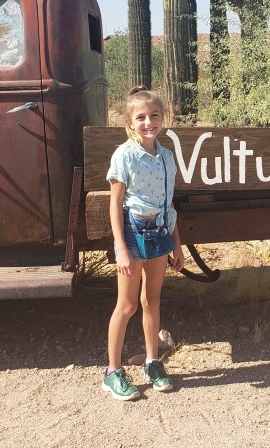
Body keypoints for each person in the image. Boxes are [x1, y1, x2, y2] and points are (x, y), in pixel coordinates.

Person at [102, 87, 186, 401]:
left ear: (163, 119)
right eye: (141, 117)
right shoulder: (124, 155)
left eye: (154, 116)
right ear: (129, 123)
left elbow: (169, 203)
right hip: (133, 230)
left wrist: (177, 244)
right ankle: (112, 372)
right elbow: (115, 204)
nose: (148, 122)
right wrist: (120, 247)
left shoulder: (165, 156)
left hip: (161, 232)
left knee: (152, 300)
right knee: (127, 305)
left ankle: (152, 362)